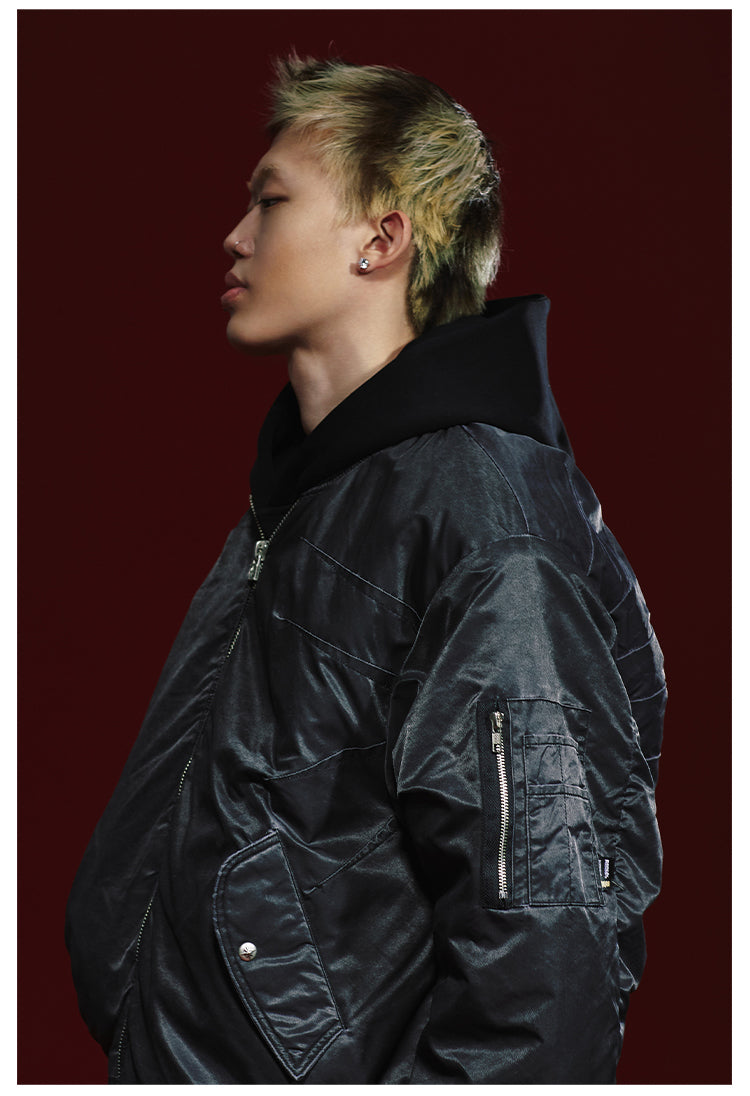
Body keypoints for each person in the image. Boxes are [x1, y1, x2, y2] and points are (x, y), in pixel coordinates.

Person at [65, 54, 665, 1084]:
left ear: (381, 240)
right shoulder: (318, 492)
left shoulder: (485, 520)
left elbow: (549, 963)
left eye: (271, 202)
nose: (236, 236)